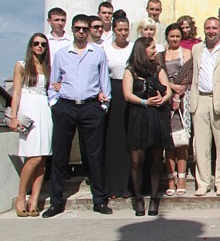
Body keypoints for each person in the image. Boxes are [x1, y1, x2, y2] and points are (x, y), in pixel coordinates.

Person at [44, 14, 112, 218]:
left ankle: (99, 200)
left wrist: (103, 105)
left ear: (89, 30)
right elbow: (54, 82)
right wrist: (54, 103)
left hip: (91, 107)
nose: (81, 32)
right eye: (77, 28)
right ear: (72, 30)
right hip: (66, 107)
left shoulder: (97, 53)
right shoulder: (61, 54)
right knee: (60, 156)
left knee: (94, 156)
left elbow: (104, 81)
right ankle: (56, 202)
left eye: (85, 28)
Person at [122, 37, 173, 216]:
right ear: (143, 50)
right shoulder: (130, 70)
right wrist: (145, 101)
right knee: (137, 160)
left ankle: (154, 198)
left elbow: (169, 90)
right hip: (138, 115)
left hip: (156, 116)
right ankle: (137, 198)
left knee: (157, 159)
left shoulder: (157, 68)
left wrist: (161, 100)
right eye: (152, 48)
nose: (154, 51)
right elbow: (127, 94)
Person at [190, 18, 220, 197]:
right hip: (200, 99)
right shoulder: (197, 49)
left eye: (214, 28)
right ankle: (202, 183)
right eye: (207, 28)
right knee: (201, 144)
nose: (211, 31)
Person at [8, 33, 52, 217]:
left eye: (43, 44)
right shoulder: (22, 65)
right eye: (36, 43)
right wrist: (13, 116)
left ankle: (34, 199)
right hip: (29, 109)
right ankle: (21, 197)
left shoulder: (48, 67)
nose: (40, 46)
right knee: (32, 157)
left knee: (41, 158)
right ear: (31, 46)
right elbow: (16, 92)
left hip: (45, 109)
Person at [158, 23, 193, 197]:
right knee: (168, 142)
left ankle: (181, 178)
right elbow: (159, 75)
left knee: (182, 142)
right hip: (165, 99)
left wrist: (178, 93)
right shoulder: (160, 56)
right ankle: (170, 178)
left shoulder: (186, 53)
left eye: (177, 36)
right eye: (172, 36)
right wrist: (170, 87)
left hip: (182, 98)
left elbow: (187, 75)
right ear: (167, 37)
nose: (174, 39)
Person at [103, 11, 134, 198]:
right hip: (114, 91)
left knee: (130, 140)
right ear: (114, 30)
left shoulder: (133, 48)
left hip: (131, 92)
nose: (123, 33)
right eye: (120, 30)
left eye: (126, 30)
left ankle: (129, 185)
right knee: (114, 140)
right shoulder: (105, 48)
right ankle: (113, 186)